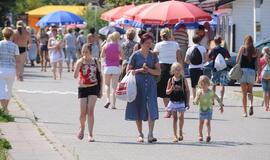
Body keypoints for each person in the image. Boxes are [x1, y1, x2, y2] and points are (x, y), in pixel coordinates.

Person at [126, 33, 161, 143]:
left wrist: (149, 70)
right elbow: (128, 71)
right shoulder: (135, 55)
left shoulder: (153, 56)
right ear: (141, 43)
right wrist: (140, 70)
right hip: (138, 84)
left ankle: (150, 133)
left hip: (150, 84)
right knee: (138, 107)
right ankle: (140, 133)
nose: (149, 45)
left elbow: (158, 71)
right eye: (147, 43)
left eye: (150, 43)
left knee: (151, 107)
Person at [74, 43, 102, 142]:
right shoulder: (79, 61)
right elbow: (75, 75)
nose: (84, 54)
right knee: (82, 113)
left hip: (93, 87)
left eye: (86, 51)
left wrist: (100, 90)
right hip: (82, 88)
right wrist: (78, 65)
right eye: (83, 52)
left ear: (90, 52)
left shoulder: (95, 61)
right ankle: (82, 128)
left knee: (90, 111)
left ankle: (90, 134)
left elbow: (100, 76)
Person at [153, 28, 181, 108]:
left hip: (162, 67)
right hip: (173, 67)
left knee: (164, 90)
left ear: (161, 36)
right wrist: (180, 69)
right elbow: (179, 57)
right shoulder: (175, 44)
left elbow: (154, 55)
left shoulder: (158, 45)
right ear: (170, 35)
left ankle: (168, 109)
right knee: (173, 87)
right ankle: (172, 108)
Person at [194, 75, 224, 142]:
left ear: (208, 84)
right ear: (199, 84)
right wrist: (197, 98)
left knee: (207, 122)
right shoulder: (199, 92)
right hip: (201, 110)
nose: (203, 86)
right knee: (201, 123)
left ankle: (208, 135)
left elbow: (217, 98)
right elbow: (195, 102)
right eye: (201, 84)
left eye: (205, 84)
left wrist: (221, 106)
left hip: (209, 110)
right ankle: (200, 135)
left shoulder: (211, 92)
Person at [165, 62, 190, 142]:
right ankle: (175, 135)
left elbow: (187, 91)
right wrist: (171, 88)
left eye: (179, 69)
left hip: (181, 101)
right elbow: (167, 92)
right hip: (173, 101)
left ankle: (180, 131)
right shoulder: (170, 80)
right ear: (173, 70)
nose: (178, 71)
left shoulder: (183, 80)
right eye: (176, 69)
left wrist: (188, 102)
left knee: (181, 116)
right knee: (174, 118)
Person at [236, 35, 260, 117]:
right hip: (252, 72)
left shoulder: (243, 48)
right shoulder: (256, 50)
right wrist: (257, 75)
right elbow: (258, 64)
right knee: (250, 91)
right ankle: (250, 104)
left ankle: (245, 112)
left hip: (243, 71)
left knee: (244, 93)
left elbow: (237, 60)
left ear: (245, 41)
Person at [101, 32, 123, 109]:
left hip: (107, 67)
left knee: (107, 84)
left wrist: (107, 54)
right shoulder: (119, 46)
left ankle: (107, 100)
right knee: (114, 87)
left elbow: (102, 56)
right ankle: (113, 105)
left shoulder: (106, 45)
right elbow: (122, 57)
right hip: (116, 67)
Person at [0, 27, 20, 113]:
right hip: (11, 70)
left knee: (1, 89)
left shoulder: (0, 44)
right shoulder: (15, 46)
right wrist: (19, 73)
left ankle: (4, 108)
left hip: (1, 69)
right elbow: (18, 61)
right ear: (12, 35)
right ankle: (5, 108)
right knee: (9, 89)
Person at [208, 36, 231, 103]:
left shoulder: (213, 49)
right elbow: (229, 57)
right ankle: (221, 100)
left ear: (214, 42)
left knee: (214, 84)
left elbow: (209, 57)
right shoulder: (224, 50)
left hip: (215, 68)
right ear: (221, 42)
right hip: (223, 68)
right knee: (222, 84)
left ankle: (212, 100)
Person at [185, 35, 208, 100]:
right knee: (201, 84)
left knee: (193, 85)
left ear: (192, 41)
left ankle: (195, 98)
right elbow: (206, 58)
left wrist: (191, 63)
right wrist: (202, 63)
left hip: (192, 68)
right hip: (200, 68)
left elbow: (185, 60)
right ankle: (200, 98)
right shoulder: (203, 48)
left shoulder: (189, 49)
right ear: (199, 40)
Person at [258, 47, 270, 111]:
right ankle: (268, 105)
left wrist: (258, 77)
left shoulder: (261, 59)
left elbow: (259, 69)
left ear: (263, 51)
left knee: (265, 91)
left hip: (263, 76)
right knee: (269, 91)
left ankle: (266, 106)